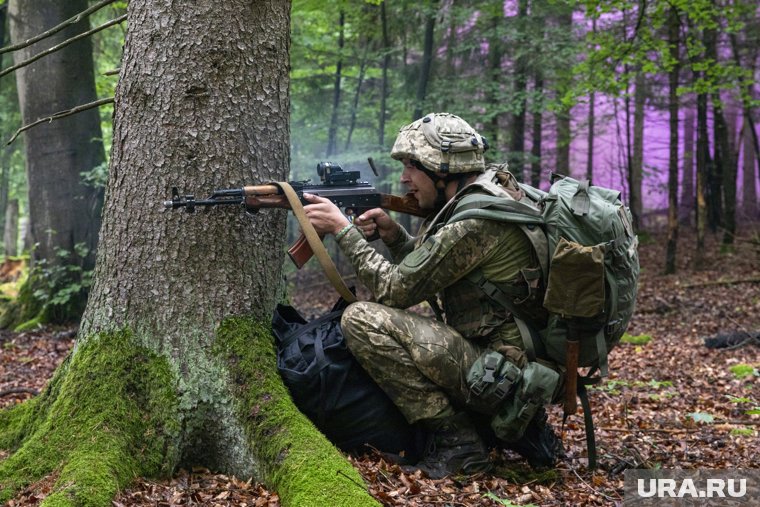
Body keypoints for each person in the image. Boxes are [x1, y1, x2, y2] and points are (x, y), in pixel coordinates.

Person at [303, 112, 563, 478]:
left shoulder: (474, 222)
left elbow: (394, 290)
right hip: (512, 362)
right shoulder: (487, 197)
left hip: (502, 370)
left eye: (413, 165)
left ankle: (459, 445)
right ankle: (515, 428)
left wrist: (342, 229)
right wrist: (394, 236)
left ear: (444, 170)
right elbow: (435, 268)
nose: (405, 178)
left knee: (361, 318)